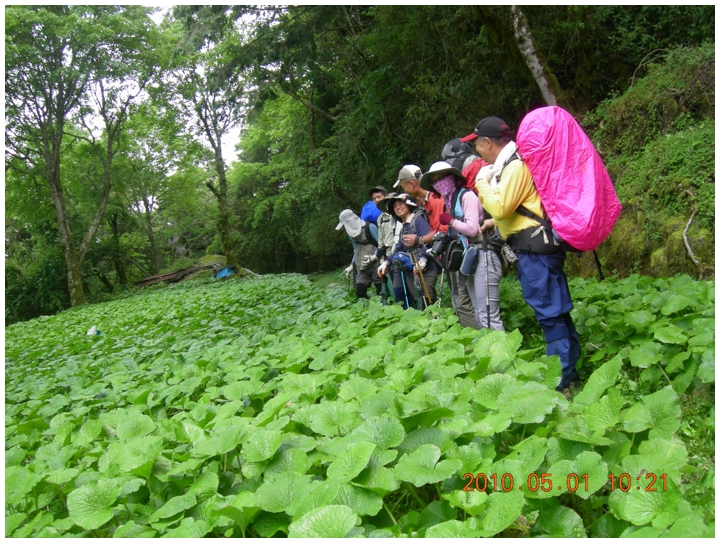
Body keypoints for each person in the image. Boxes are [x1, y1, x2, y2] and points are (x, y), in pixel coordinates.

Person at [461, 116, 580, 396]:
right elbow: (514, 209)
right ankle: (570, 372)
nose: (476, 150)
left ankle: (562, 380)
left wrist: (481, 182)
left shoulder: (513, 166)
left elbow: (500, 207)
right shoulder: (512, 163)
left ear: (487, 142)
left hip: (535, 251)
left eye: (477, 144)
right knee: (556, 311)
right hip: (538, 247)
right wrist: (493, 223)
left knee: (550, 313)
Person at [420, 161, 504, 331]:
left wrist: (451, 221)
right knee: (479, 313)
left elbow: (472, 229)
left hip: (483, 253)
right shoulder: (450, 201)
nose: (440, 182)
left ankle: (504, 353)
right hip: (471, 258)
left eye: (443, 177)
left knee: (488, 314)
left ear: (453, 177)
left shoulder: (467, 196)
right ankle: (489, 352)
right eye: (435, 180)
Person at [395, 164, 476, 325]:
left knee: (462, 298)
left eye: (403, 186)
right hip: (448, 256)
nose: (403, 191)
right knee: (458, 298)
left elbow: (443, 229)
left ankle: (475, 335)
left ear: (411, 184)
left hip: (457, 253)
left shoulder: (436, 199)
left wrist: (419, 240)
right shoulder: (426, 202)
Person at [377, 193, 438, 309]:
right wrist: (386, 263)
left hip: (427, 268)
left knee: (427, 298)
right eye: (395, 206)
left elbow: (429, 241)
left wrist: (423, 260)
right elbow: (399, 249)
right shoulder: (404, 228)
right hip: (412, 270)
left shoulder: (418, 221)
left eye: (400, 204)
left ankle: (437, 323)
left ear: (409, 205)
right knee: (417, 299)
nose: (397, 208)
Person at [336, 209, 383, 299]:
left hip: (376, 263)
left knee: (380, 289)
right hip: (362, 265)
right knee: (360, 290)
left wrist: (375, 256)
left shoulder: (370, 227)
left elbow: (381, 244)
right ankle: (367, 309)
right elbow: (356, 250)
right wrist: (351, 266)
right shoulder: (351, 234)